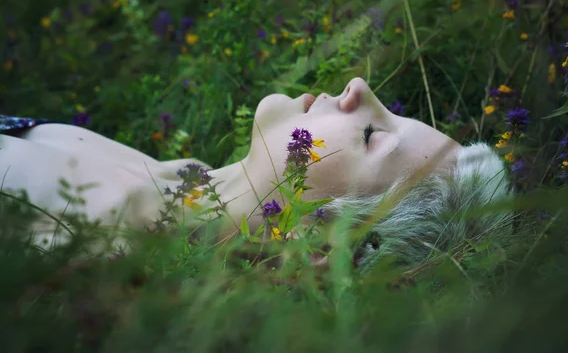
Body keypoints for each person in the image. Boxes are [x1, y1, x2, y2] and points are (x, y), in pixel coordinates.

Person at [0, 77, 512, 268]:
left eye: (373, 135)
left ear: (317, 243)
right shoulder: (177, 180)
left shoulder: (80, 250)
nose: (360, 86)